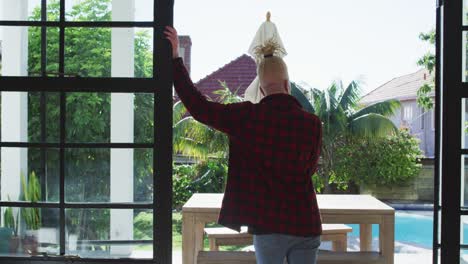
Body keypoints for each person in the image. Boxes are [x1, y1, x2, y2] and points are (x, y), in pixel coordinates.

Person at [165, 26, 323, 264]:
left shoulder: (246, 117)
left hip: (268, 224)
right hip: (306, 221)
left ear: (260, 89)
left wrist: (176, 59)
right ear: (288, 84)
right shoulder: (312, 123)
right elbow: (310, 169)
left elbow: (199, 107)